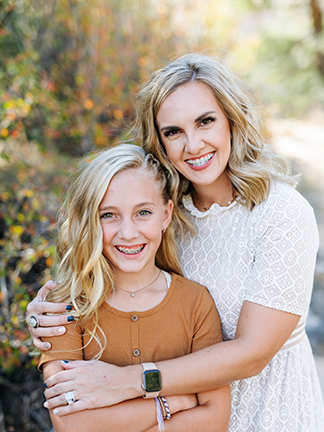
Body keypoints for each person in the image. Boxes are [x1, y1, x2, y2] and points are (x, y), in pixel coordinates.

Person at [27, 53, 324, 431]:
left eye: (205, 121)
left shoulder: (281, 213)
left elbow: (251, 354)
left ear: (232, 119)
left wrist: (125, 380)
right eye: (173, 131)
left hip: (267, 415)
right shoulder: (162, 214)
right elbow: (117, 281)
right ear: (159, 140)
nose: (193, 144)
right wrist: (51, 317)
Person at [36, 143, 231, 432]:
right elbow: (72, 424)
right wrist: (171, 404)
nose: (128, 233)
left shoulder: (195, 303)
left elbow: (214, 419)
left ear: (165, 215)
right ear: (89, 221)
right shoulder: (63, 305)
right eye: (108, 215)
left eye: (143, 213)